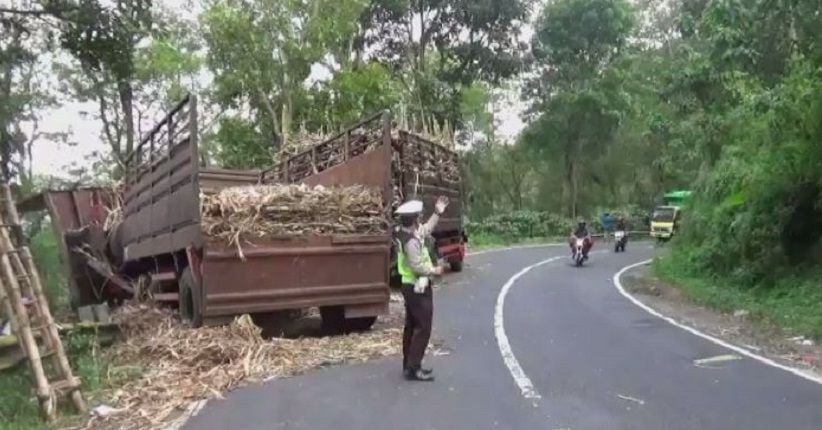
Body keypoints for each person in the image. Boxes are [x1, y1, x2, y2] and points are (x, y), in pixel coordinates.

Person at [395, 196, 449, 381]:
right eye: (418, 216)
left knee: (411, 326)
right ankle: (414, 368)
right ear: (414, 218)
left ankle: (408, 365)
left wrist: (437, 213)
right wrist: (435, 270)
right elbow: (417, 265)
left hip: (410, 286)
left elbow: (426, 229)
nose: (420, 219)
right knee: (423, 327)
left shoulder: (407, 233)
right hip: (416, 286)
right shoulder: (410, 241)